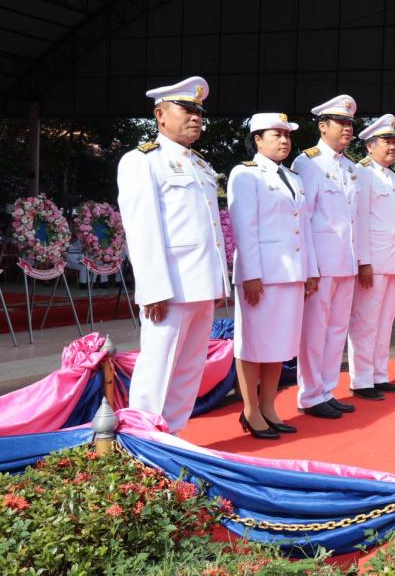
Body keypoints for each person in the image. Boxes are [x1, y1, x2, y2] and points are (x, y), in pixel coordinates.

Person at [116, 76, 230, 433]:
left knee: (189, 369)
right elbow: (142, 227)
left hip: (202, 281)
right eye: (187, 109)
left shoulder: (200, 165)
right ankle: (142, 441)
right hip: (170, 285)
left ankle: (175, 434)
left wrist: (219, 281)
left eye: (199, 111)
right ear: (160, 115)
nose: (195, 117)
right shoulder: (142, 161)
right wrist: (152, 288)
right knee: (157, 367)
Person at [227, 113, 319, 439]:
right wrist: (250, 274)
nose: (283, 140)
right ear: (257, 139)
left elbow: (303, 226)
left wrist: (310, 271)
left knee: (279, 345)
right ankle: (250, 410)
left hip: (290, 273)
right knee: (254, 343)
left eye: (287, 135)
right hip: (262, 275)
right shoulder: (245, 174)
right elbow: (244, 227)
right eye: (276, 134)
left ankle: (269, 406)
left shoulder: (294, 178)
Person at [291, 95, 360, 419]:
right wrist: (310, 267)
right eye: (341, 123)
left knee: (336, 330)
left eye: (349, 123)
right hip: (321, 262)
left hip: (345, 261)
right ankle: (310, 394)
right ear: (322, 126)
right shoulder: (309, 163)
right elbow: (302, 219)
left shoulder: (350, 167)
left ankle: (327, 389)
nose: (347, 128)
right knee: (315, 331)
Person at [347, 114, 395, 400]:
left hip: (393, 259)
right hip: (374, 261)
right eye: (386, 141)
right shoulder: (363, 173)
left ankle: (378, 373)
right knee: (366, 321)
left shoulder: (392, 176)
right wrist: (364, 261)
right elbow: (360, 220)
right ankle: (361, 379)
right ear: (370, 146)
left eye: (394, 141)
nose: (392, 146)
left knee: (385, 322)